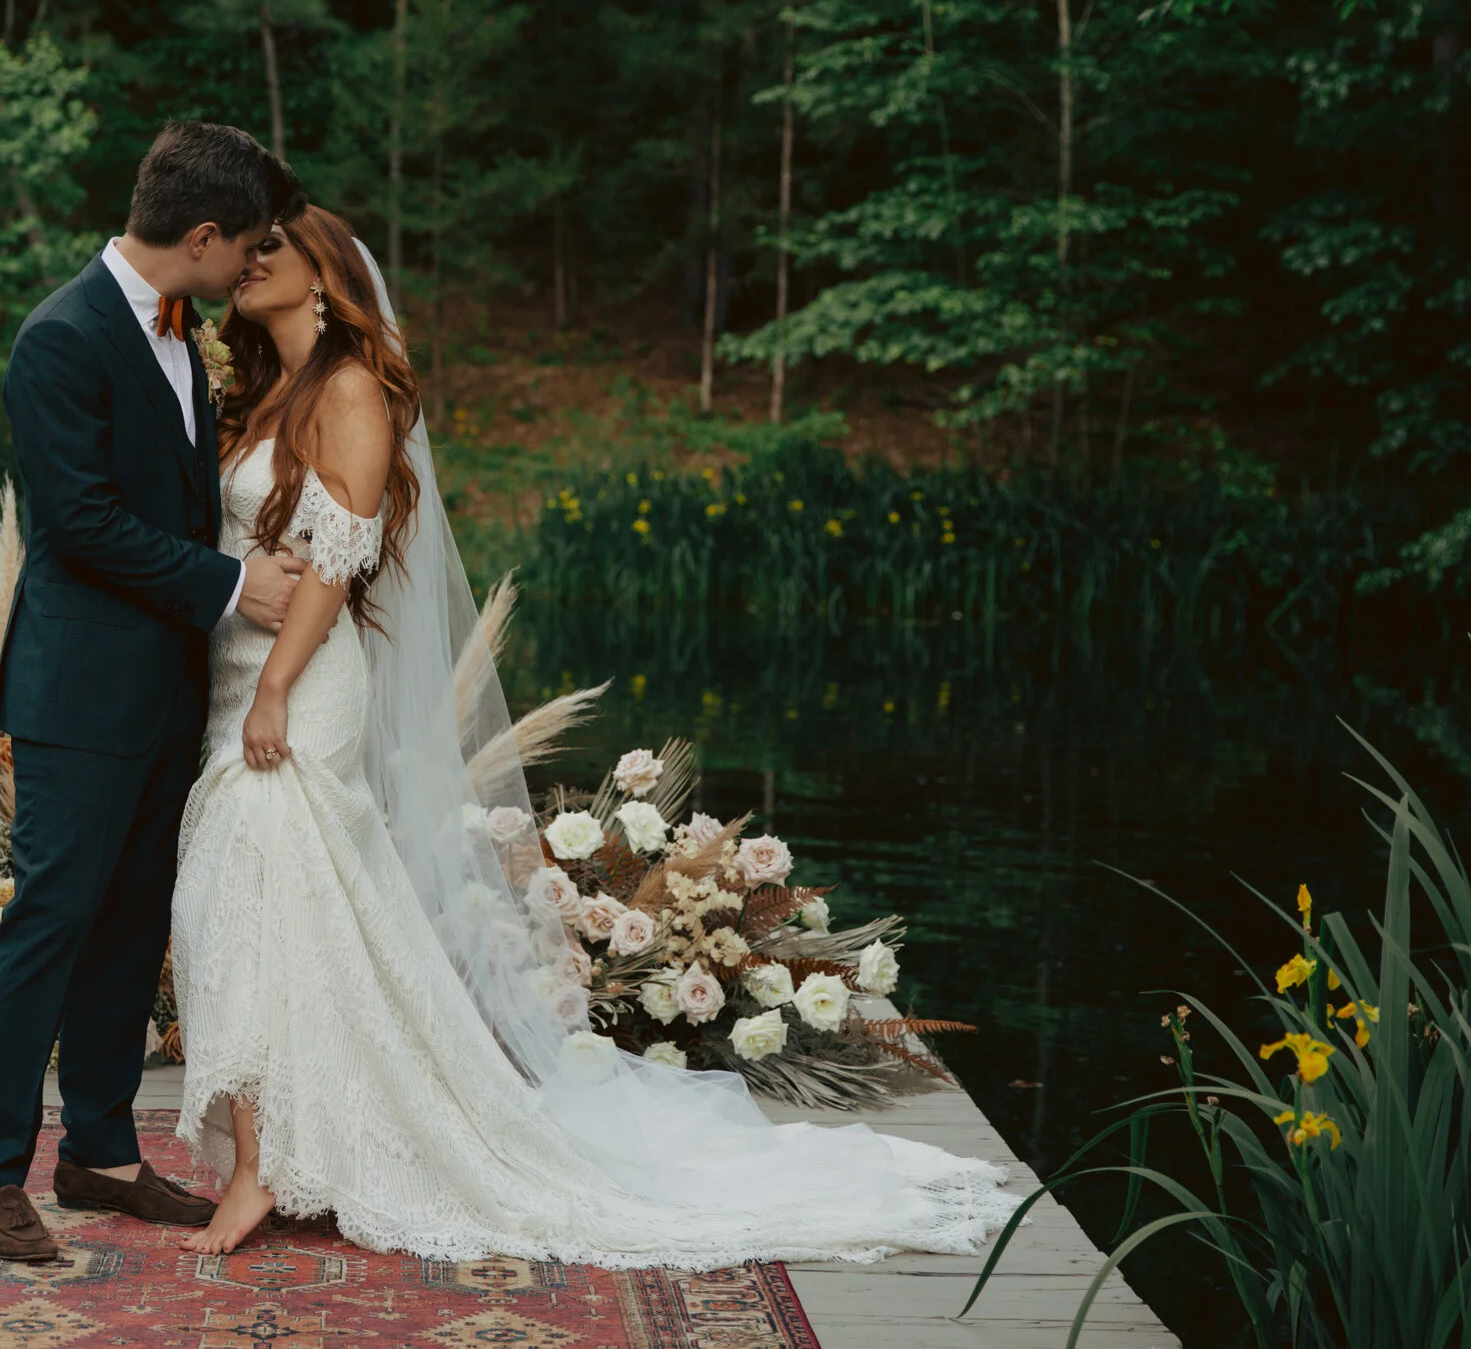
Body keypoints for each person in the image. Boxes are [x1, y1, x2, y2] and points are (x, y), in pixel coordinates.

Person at [168, 206, 1020, 1264]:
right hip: (240, 673)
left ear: (323, 276)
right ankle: (304, 1137)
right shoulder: (262, 395)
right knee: (278, 906)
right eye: (241, 251)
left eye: (269, 253)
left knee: (254, 887)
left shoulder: (348, 390)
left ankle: (260, 1164)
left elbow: (336, 559)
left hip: (299, 683)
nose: (244, 268)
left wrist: (275, 690)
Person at [0, 121, 309, 1262]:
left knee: (129, 923)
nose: (251, 264)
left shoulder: (182, 327)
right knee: (50, 922)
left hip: (168, 687)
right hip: (79, 690)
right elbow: (81, 523)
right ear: (199, 236)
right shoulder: (59, 336)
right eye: (246, 245)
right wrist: (230, 584)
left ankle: (101, 1153)